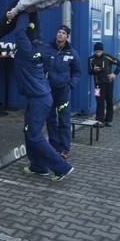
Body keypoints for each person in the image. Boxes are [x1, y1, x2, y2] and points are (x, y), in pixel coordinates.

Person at [14, 12, 74, 182]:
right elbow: (37, 30)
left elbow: (19, 31)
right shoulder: (41, 45)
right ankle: (38, 166)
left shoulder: (26, 50)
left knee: (34, 135)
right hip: (39, 97)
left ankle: (62, 167)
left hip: (39, 99)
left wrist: (24, 10)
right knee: (28, 131)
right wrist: (34, 14)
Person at [43, 25, 81, 159]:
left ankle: (64, 148)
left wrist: (70, 85)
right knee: (51, 118)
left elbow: (77, 72)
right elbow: (39, 65)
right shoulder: (47, 48)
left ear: (67, 36)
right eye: (59, 32)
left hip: (63, 91)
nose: (60, 34)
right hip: (48, 90)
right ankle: (54, 146)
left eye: (63, 33)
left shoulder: (72, 53)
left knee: (64, 119)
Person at [88, 42, 120, 127]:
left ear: (102, 51)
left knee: (109, 101)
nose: (98, 53)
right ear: (94, 51)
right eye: (96, 51)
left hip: (108, 83)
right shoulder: (91, 59)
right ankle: (99, 120)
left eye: (100, 51)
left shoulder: (108, 57)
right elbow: (89, 72)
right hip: (97, 85)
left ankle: (108, 120)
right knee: (99, 102)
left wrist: (114, 74)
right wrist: (94, 70)